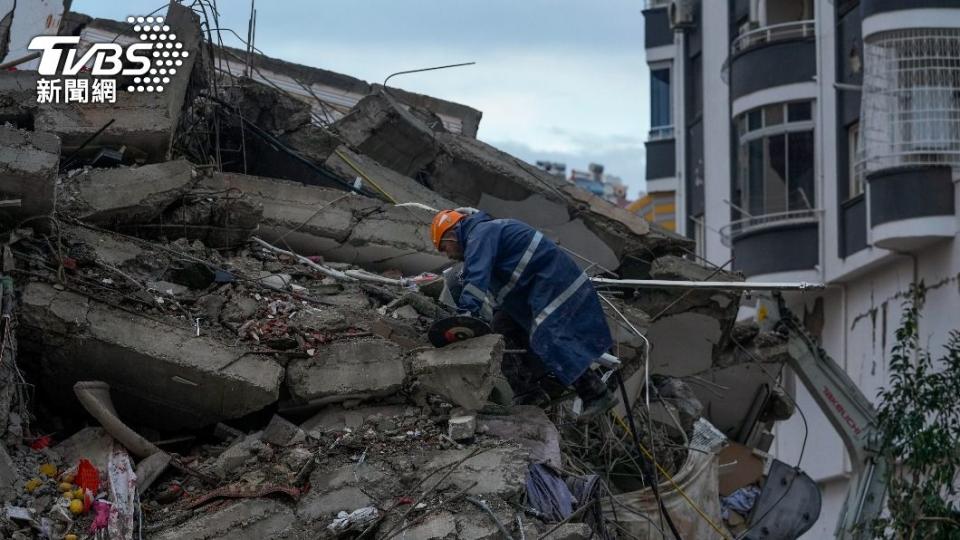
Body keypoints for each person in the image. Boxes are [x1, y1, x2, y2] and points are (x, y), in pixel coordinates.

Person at [430, 208, 617, 419]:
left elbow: (476, 278)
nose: (448, 255)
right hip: (535, 289)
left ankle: (596, 393)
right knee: (501, 327)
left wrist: (465, 313)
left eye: (444, 248)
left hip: (552, 281)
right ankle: (529, 392)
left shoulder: (481, 234)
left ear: (452, 235)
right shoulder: (485, 235)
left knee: (549, 335)